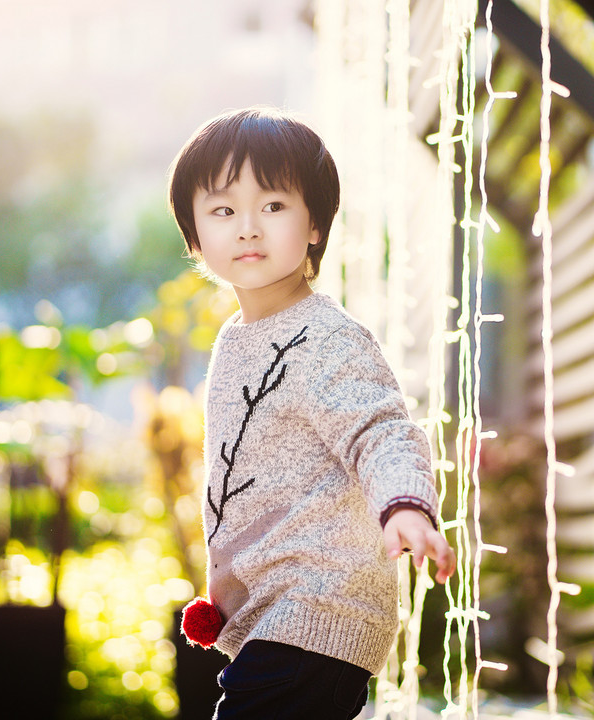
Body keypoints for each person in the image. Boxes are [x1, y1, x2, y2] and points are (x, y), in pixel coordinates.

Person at [167, 106, 456, 720]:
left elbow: (380, 429)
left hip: (321, 611)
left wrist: (404, 503)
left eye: (272, 206)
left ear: (315, 226)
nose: (248, 228)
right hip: (274, 619)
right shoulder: (235, 340)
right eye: (223, 210)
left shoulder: (325, 337)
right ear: (195, 237)